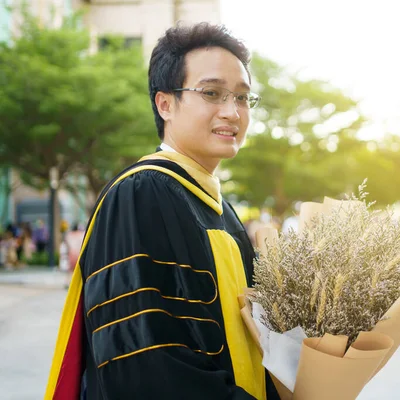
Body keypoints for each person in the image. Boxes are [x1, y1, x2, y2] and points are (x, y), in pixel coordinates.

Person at [45, 23, 279, 399]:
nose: (232, 112)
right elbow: (142, 361)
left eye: (242, 97)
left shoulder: (223, 210)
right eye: (212, 93)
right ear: (165, 103)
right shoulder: (140, 194)